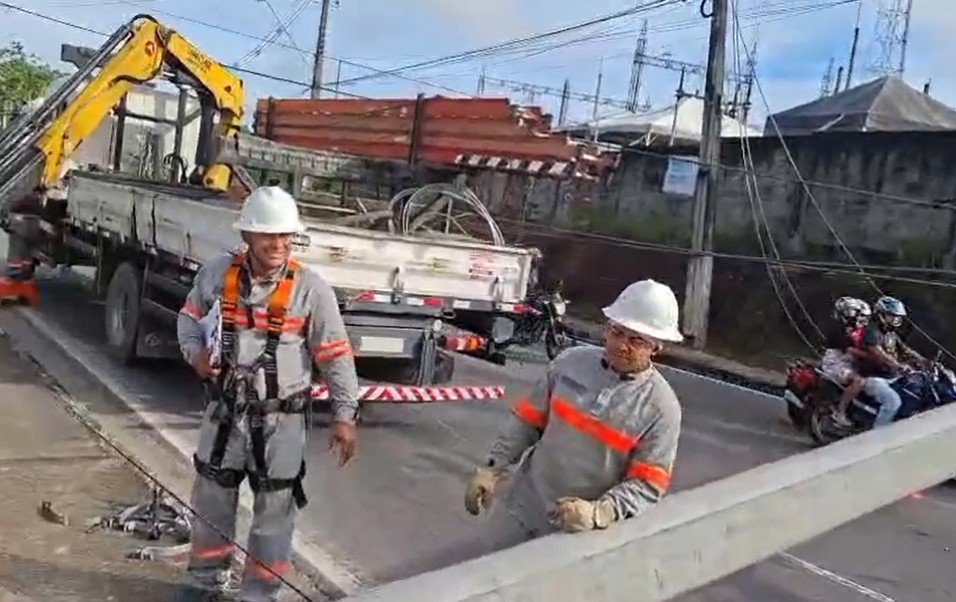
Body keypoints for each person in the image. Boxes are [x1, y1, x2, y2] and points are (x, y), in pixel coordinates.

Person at [176, 186, 360, 601]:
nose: (277, 245)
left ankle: (258, 595)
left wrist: (346, 416)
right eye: (267, 236)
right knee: (211, 501)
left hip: (282, 422)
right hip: (224, 414)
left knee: (275, 512)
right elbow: (187, 321)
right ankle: (204, 583)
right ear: (248, 238)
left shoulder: (311, 290)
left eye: (285, 236)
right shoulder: (216, 275)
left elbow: (335, 355)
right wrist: (196, 356)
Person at [464, 279, 683, 550]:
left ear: (656, 347)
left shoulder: (661, 408)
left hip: (578, 531)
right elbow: (527, 421)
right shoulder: (570, 363)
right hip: (522, 507)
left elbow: (647, 484)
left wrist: (600, 513)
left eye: (637, 340)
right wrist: (492, 467)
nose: (622, 345)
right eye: (617, 332)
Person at [856, 296, 926, 428]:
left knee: (916, 391)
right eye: (892, 316)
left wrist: (924, 361)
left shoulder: (890, 333)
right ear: (881, 315)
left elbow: (905, 350)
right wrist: (898, 365)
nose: (896, 319)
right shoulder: (872, 331)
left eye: (897, 317)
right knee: (893, 402)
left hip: (892, 376)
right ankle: (877, 437)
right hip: (873, 378)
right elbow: (878, 353)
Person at [822, 297, 869, 427]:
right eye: (858, 314)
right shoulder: (839, 329)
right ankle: (840, 412)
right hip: (836, 365)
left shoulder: (854, 331)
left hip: (847, 364)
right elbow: (851, 350)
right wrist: (870, 355)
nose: (861, 319)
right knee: (857, 380)